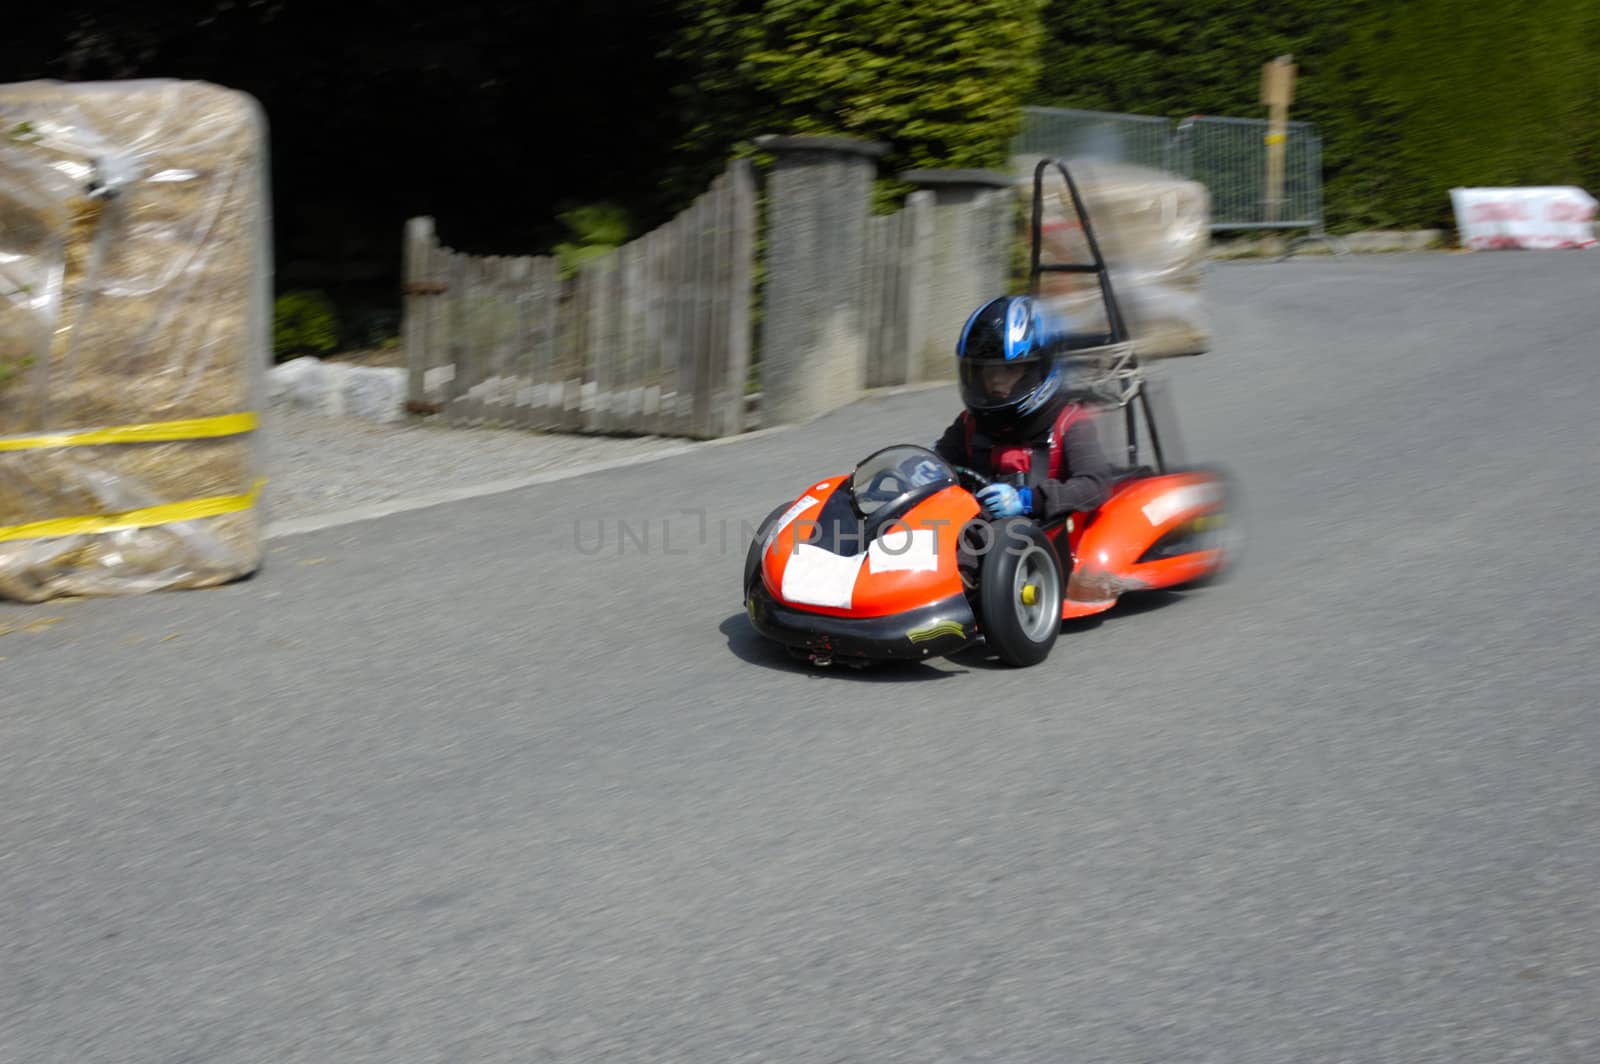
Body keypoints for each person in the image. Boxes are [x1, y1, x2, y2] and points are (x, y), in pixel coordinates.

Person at [932, 294, 1115, 522]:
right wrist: (914, 474)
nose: (995, 380)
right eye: (986, 371)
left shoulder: (1070, 422)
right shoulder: (969, 423)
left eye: (1009, 370)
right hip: (986, 536)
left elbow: (1094, 485)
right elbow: (936, 462)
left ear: (1036, 371)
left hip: (1046, 541)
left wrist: (1029, 500)